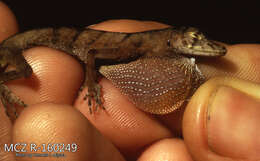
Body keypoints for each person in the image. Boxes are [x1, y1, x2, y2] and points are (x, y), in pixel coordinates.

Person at [0, 2, 259, 161]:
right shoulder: (133, 46)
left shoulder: (148, 48)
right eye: (192, 38)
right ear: (172, 40)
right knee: (26, 73)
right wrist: (91, 83)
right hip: (34, 41)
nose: (198, 45)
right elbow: (91, 53)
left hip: (39, 40)